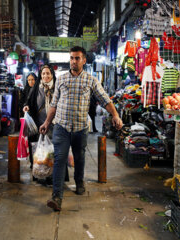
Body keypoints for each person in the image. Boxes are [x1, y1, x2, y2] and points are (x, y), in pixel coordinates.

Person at [39, 46, 123, 211]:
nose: (73, 61)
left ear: (84, 60)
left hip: (80, 129)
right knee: (59, 160)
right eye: (71, 58)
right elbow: (54, 104)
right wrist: (47, 123)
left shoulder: (91, 80)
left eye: (77, 58)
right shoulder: (61, 80)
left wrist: (115, 115)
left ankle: (79, 181)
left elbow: (105, 100)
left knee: (79, 158)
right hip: (61, 127)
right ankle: (56, 197)